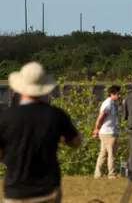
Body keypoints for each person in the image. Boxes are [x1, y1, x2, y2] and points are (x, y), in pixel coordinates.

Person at [0, 62, 82, 203]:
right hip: (47, 189)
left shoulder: (6, 118)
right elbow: (75, 141)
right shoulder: (55, 115)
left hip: (16, 189)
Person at [93, 85, 121, 179]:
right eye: (117, 94)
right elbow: (101, 117)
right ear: (111, 94)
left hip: (107, 132)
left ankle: (97, 174)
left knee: (103, 154)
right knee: (112, 154)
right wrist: (97, 128)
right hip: (108, 132)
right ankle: (111, 174)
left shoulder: (112, 103)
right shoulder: (108, 103)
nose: (119, 96)